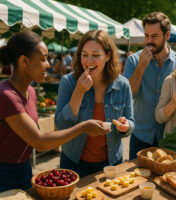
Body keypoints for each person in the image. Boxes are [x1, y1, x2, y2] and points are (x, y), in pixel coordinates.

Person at [0, 31, 107, 192]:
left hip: (24, 169)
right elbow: (40, 142)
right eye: (43, 59)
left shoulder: (31, 91)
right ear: (24, 61)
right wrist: (83, 127)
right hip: (4, 174)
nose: (49, 64)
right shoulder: (6, 95)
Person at [55, 30, 134, 178]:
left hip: (111, 162)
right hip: (74, 162)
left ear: (108, 56)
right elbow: (60, 126)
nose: (89, 61)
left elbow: (131, 121)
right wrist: (79, 91)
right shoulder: (68, 82)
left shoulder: (123, 84)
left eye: (96, 55)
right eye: (85, 55)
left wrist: (126, 126)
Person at [123, 12, 176, 160]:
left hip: (170, 137)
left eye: (154, 36)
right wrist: (141, 67)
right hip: (141, 136)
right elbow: (127, 96)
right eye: (146, 35)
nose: (149, 41)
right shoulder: (134, 60)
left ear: (167, 36)